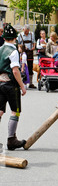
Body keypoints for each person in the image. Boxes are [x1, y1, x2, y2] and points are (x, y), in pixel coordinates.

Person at [0, 24, 27, 152]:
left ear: (4, 37)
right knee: (15, 111)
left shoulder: (0, 49)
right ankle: (11, 139)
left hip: (0, 83)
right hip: (11, 84)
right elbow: (15, 71)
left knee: (0, 111)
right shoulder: (14, 51)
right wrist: (22, 86)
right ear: (14, 38)